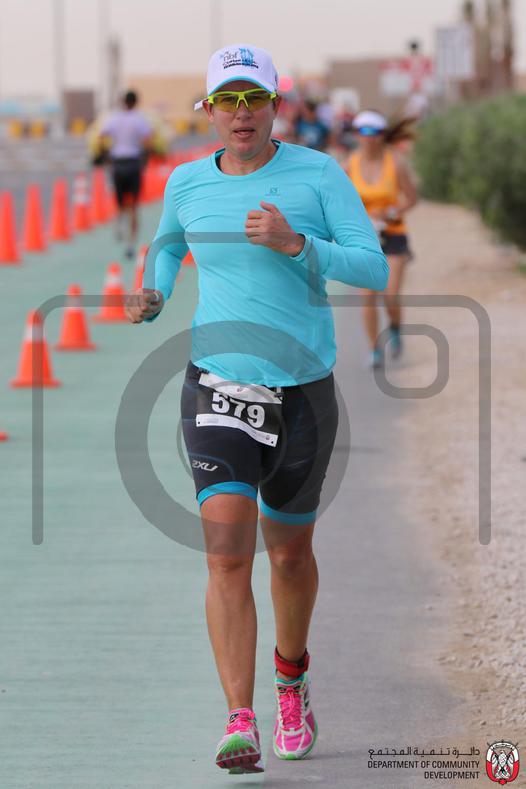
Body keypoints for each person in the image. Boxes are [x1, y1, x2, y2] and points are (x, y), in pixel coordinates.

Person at [125, 44, 388, 775]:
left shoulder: (318, 174)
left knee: (291, 556)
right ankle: (239, 720)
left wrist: (297, 243)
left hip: (303, 393)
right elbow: (167, 247)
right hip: (219, 387)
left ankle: (291, 679)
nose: (241, 114)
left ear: (276, 105)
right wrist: (153, 293)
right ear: (209, 111)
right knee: (227, 554)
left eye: (254, 99)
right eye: (227, 101)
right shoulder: (186, 182)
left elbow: (372, 265)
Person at [347, 110, 418, 368]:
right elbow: (340, 202)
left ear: (382, 135)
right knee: (368, 297)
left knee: (390, 294)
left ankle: (395, 327)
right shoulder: (349, 165)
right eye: (363, 131)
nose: (368, 137)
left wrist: (390, 212)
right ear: (356, 134)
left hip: (394, 235)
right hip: (365, 239)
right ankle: (374, 349)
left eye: (374, 132)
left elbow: (412, 198)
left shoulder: (396, 163)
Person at [99, 90, 152, 259]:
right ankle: (131, 244)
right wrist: (145, 159)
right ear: (135, 102)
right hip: (133, 162)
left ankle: (119, 224)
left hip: (118, 162)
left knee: (120, 201)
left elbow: (101, 136)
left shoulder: (114, 119)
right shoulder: (140, 119)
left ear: (123, 102)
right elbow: (147, 140)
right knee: (134, 205)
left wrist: (106, 154)